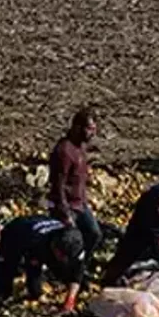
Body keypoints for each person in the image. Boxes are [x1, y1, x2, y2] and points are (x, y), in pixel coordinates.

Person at [0, 215, 85, 311]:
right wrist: (38, 295)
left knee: (62, 268)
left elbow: (78, 272)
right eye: (62, 255)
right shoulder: (38, 243)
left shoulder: (76, 244)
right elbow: (33, 271)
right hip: (16, 232)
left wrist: (70, 298)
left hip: (40, 224)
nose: (64, 259)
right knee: (8, 268)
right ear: (54, 246)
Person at [48, 109, 102, 271]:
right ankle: (63, 271)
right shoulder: (64, 151)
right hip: (67, 206)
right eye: (89, 129)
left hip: (80, 204)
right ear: (77, 127)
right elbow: (58, 184)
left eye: (94, 129)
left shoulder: (81, 147)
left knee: (94, 234)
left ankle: (79, 268)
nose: (93, 133)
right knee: (69, 241)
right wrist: (64, 212)